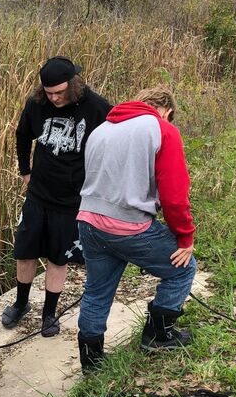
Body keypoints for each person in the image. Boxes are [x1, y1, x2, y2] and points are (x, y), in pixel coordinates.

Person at [76, 86, 197, 374]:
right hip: (128, 226)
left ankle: (91, 364)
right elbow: (174, 195)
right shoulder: (162, 129)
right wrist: (185, 237)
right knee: (184, 268)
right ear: (166, 109)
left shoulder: (102, 129)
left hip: (89, 221)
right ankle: (157, 336)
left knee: (96, 291)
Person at [1, 56, 111, 336]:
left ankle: (49, 314)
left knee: (57, 258)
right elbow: (23, 135)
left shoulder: (96, 107)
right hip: (38, 194)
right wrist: (25, 170)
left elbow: (114, 143)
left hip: (72, 199)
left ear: (73, 85)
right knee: (25, 252)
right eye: (49, 93)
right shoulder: (36, 104)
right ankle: (21, 303)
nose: (54, 98)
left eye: (60, 93)